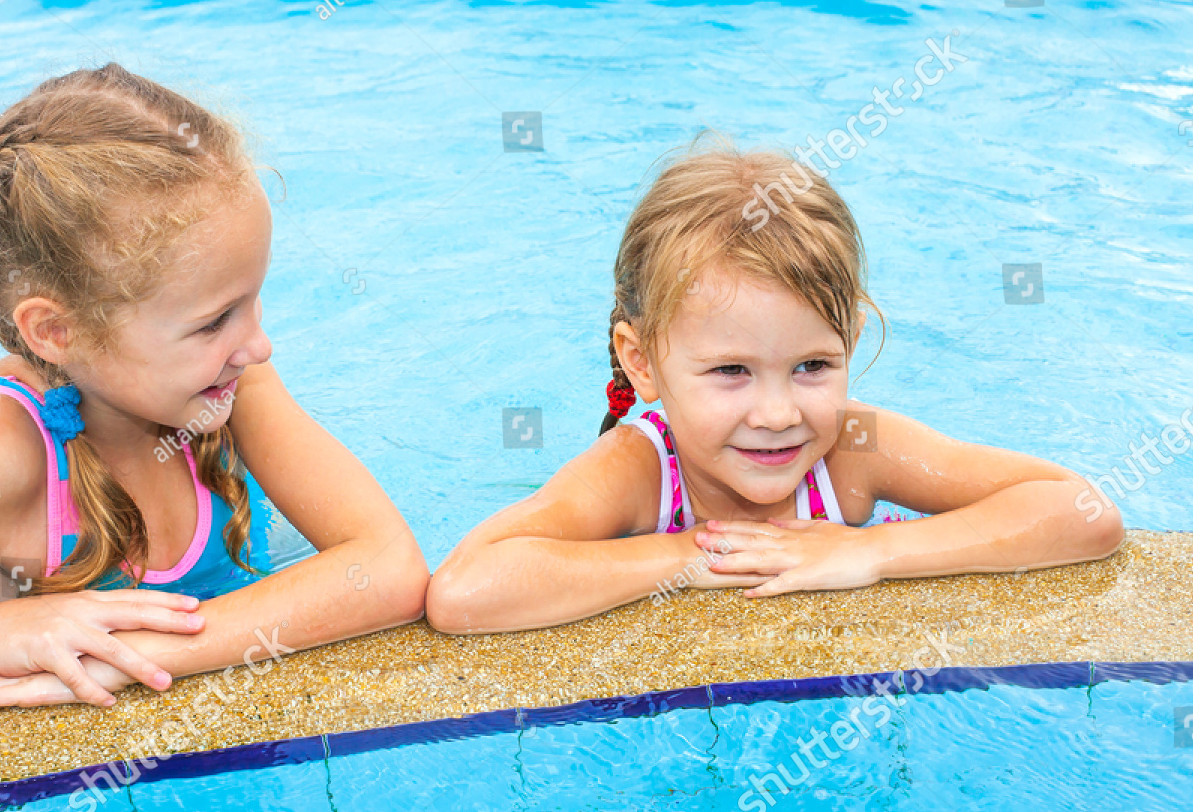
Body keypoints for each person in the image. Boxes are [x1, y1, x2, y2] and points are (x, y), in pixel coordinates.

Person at [0, 63, 428, 712]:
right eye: (214, 320)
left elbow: (389, 567)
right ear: (56, 331)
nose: (258, 345)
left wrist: (138, 655)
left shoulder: (233, 380)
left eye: (254, 300)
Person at [426, 134, 1123, 634]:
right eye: (731, 371)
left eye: (812, 366)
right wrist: (690, 558)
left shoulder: (855, 447)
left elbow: (1083, 512)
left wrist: (868, 553)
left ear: (850, 338)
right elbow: (466, 589)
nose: (778, 412)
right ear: (642, 362)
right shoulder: (638, 472)